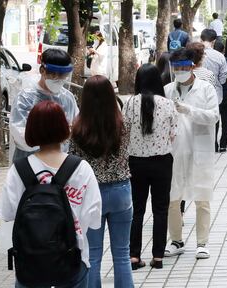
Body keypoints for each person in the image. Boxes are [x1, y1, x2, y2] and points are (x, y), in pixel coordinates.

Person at [0, 100, 102, 288]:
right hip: (72, 260)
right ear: (64, 127)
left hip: (30, 263)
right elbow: (94, 219)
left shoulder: (19, 170)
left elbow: (7, 214)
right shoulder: (81, 168)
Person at [69, 75, 134, 288]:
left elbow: (73, 163)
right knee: (122, 254)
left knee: (93, 255)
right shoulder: (123, 126)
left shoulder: (77, 130)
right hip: (120, 190)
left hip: (90, 194)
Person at [164, 48, 219, 259]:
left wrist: (189, 110)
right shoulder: (168, 90)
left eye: (183, 67)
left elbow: (213, 116)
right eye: (176, 68)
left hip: (200, 150)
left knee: (202, 197)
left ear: (192, 66)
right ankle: (176, 240)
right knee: (173, 197)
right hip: (175, 151)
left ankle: (202, 242)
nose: (180, 71)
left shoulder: (206, 89)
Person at [125, 64, 177, 270]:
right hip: (161, 162)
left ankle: (134, 256)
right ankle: (158, 257)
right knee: (160, 210)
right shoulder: (167, 104)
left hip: (135, 162)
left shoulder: (129, 103)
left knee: (136, 210)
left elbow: (124, 132)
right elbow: (174, 133)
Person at [10, 48, 78, 162]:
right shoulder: (25, 98)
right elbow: (20, 135)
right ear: (42, 70)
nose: (59, 79)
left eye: (63, 75)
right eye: (54, 75)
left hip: (59, 165)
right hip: (29, 164)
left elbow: (76, 125)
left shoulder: (67, 98)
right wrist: (55, 139)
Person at [214, 41, 227, 153]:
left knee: (215, 120)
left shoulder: (209, 60)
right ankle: (223, 146)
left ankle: (214, 145)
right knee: (226, 120)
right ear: (223, 50)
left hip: (214, 93)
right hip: (225, 91)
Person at [201, 28, 227, 105]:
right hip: (215, 94)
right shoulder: (220, 56)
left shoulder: (194, 54)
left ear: (201, 39)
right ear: (214, 41)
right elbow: (223, 79)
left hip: (197, 94)